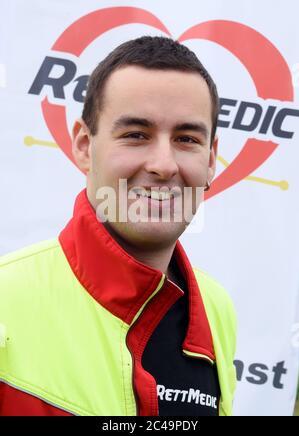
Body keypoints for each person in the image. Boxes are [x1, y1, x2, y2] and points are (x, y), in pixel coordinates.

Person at [0, 36, 237, 416]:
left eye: (186, 139)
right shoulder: (5, 301)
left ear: (210, 159)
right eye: (135, 135)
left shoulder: (216, 307)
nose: (164, 164)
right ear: (82, 144)